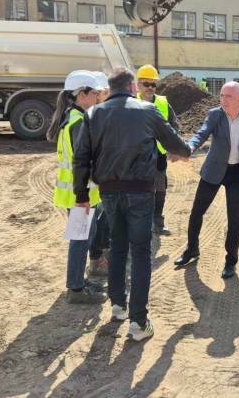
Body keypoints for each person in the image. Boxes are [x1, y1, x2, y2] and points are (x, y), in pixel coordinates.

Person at [73, 68, 191, 342]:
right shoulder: (147, 111)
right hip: (140, 191)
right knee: (140, 252)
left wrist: (81, 195)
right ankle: (138, 321)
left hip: (109, 191)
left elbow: (81, 157)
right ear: (131, 87)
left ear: (111, 88)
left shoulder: (93, 114)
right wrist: (185, 151)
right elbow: (175, 143)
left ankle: (118, 306)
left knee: (117, 245)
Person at [173, 81, 239, 279]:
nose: (223, 100)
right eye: (222, 95)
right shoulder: (215, 115)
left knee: (234, 219)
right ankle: (192, 249)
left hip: (236, 174)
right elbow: (201, 134)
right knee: (197, 212)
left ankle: (230, 261)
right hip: (213, 170)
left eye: (228, 96)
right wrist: (188, 148)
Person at [46, 70, 108, 304]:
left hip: (77, 193)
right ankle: (76, 288)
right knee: (80, 241)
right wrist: (83, 196)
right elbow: (81, 163)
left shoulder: (71, 117)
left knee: (83, 238)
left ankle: (78, 282)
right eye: (94, 93)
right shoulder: (79, 122)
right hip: (80, 195)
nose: (97, 97)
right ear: (81, 94)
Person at [135, 64, 180, 236]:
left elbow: (174, 126)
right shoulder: (131, 102)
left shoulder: (163, 103)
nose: (150, 88)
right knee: (138, 190)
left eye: (153, 84)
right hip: (137, 157)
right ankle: (139, 224)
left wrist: (174, 147)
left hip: (159, 155)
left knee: (160, 189)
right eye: (146, 84)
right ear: (138, 84)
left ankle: (158, 222)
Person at [86, 71, 112, 277]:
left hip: (100, 177)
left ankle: (101, 255)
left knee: (103, 218)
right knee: (97, 221)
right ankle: (97, 260)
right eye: (104, 92)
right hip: (94, 180)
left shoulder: (99, 113)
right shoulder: (92, 116)